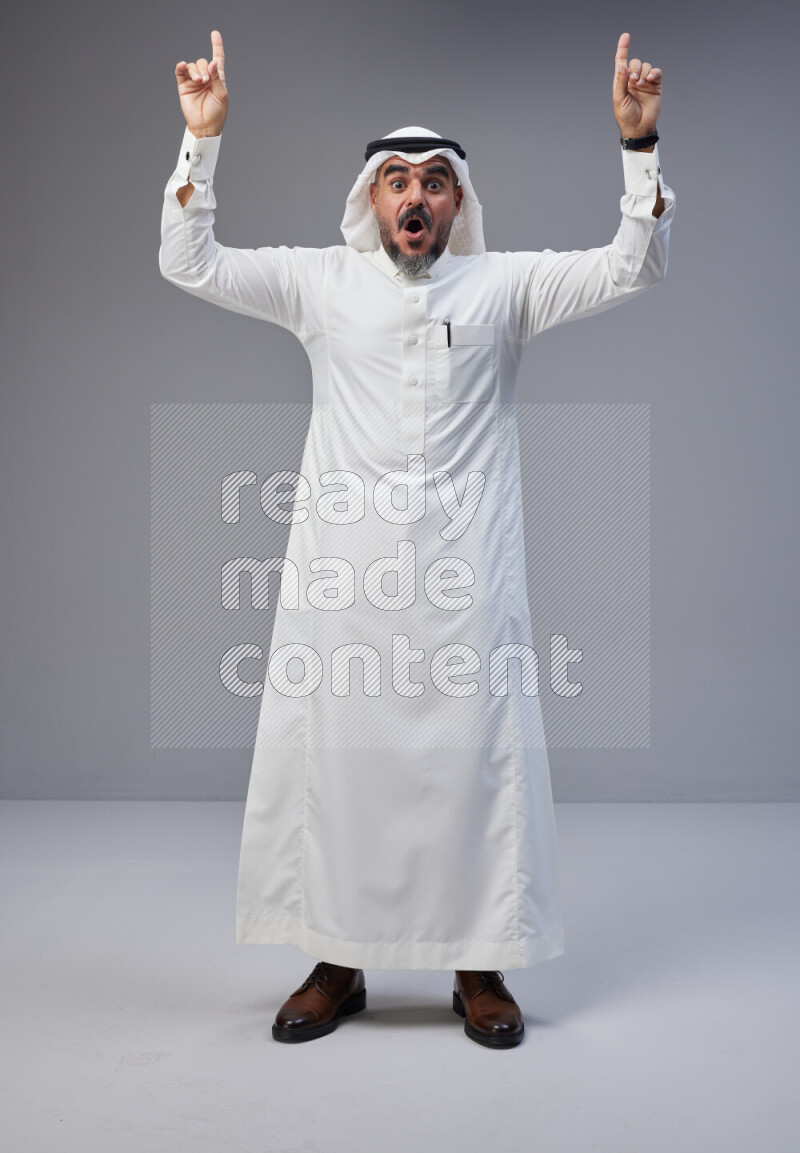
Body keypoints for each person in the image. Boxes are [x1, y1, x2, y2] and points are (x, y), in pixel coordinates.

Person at [159, 29, 674, 1049]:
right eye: (395, 180)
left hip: (467, 581)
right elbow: (188, 260)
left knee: (473, 763)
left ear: (456, 203)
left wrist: (638, 146)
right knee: (341, 767)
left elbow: (635, 265)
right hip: (342, 582)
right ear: (368, 199)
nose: (414, 198)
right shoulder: (320, 284)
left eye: (434, 183)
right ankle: (336, 961)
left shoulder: (505, 288)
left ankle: (477, 966)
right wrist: (201, 143)